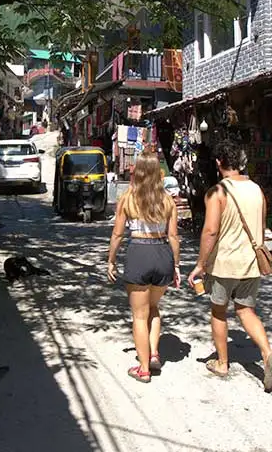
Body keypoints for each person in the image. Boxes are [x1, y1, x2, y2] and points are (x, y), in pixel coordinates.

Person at [188, 140, 272, 388]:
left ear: (218, 163)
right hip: (251, 263)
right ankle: (267, 354)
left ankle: (222, 363)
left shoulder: (217, 192)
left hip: (224, 263)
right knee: (246, 310)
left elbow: (211, 231)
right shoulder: (257, 190)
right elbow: (262, 226)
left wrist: (200, 264)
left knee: (219, 311)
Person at [107, 151, 181, 383]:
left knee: (140, 316)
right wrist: (176, 266)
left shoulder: (128, 198)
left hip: (139, 252)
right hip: (162, 254)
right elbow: (174, 237)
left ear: (137, 171)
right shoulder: (168, 200)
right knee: (154, 307)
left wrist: (111, 260)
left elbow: (118, 234)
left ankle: (143, 368)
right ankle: (154, 353)